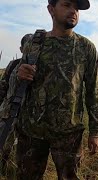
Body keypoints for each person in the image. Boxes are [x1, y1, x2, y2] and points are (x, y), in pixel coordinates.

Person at [2, 0, 98, 179]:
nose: (73, 11)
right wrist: (19, 73)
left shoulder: (86, 48)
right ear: (51, 9)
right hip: (30, 132)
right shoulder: (34, 42)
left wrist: (95, 132)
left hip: (68, 135)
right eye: (66, 5)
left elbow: (93, 92)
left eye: (77, 8)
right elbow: (18, 85)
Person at [0, 33, 32, 176]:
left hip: (27, 119)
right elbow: (3, 87)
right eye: (28, 46)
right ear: (21, 48)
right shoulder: (13, 64)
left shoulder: (40, 68)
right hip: (7, 115)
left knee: (23, 152)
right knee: (4, 147)